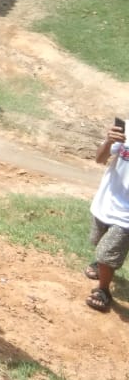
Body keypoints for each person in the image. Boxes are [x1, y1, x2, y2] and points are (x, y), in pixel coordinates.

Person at [83, 117, 129, 313]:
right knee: (98, 242)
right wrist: (109, 141)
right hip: (105, 200)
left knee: (106, 254)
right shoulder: (126, 126)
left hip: (126, 213)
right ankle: (102, 264)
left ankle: (103, 291)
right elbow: (100, 159)